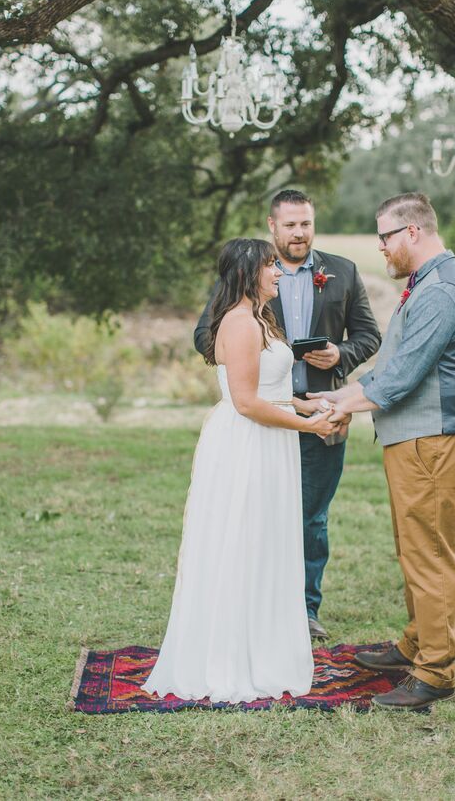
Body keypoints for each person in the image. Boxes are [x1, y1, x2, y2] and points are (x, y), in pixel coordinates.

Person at [141, 238, 338, 704]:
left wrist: (308, 403)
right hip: (248, 444)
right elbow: (247, 402)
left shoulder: (258, 319)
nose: (278, 272)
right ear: (250, 272)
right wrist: (309, 427)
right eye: (271, 265)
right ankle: (234, 659)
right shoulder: (238, 322)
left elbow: (269, 389)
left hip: (269, 441)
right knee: (244, 538)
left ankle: (262, 646)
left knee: (266, 539)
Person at [311, 192, 455, 711]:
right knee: (414, 547)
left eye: (384, 236)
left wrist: (344, 409)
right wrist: (337, 395)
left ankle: (435, 671)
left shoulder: (442, 291)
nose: (380, 247)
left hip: (433, 440)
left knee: (429, 554)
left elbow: (401, 379)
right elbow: (394, 364)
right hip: (414, 439)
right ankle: (417, 642)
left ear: (412, 232)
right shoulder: (426, 283)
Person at [194, 191, 381, 640]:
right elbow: (206, 333)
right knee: (259, 516)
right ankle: (258, 607)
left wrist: (339, 354)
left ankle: (305, 610)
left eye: (307, 224)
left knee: (311, 519)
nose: (300, 232)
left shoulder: (343, 272)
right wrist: (248, 358)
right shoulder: (246, 276)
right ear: (272, 226)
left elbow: (370, 336)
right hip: (259, 420)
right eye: (291, 225)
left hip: (322, 412)